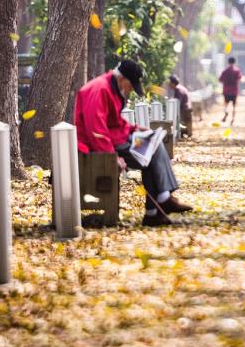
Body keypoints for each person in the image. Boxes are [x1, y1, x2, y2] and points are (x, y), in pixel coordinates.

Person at [74, 59, 192, 227]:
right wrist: (111, 156)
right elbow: (96, 130)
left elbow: (115, 122)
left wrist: (135, 128)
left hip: (115, 139)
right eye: (130, 86)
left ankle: (154, 212)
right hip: (97, 147)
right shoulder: (100, 89)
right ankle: (162, 200)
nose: (130, 90)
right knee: (154, 148)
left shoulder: (112, 87)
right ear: (122, 78)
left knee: (152, 145)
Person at [218, 56, 243, 125]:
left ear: (228, 62)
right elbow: (240, 79)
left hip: (226, 90)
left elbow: (220, 80)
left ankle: (226, 112)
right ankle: (232, 119)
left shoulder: (225, 71)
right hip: (234, 91)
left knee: (226, 105)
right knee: (234, 106)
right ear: (234, 62)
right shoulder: (237, 71)